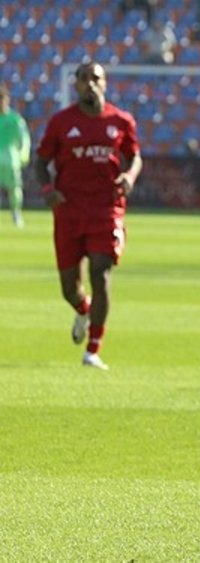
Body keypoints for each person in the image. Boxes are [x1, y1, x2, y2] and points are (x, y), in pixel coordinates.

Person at [33, 63, 142, 370]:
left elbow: (134, 156)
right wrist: (47, 189)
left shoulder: (121, 121)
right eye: (84, 78)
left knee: (101, 271)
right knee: (69, 287)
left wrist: (130, 176)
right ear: (76, 85)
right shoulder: (61, 122)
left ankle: (93, 350)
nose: (90, 83)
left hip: (107, 209)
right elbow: (41, 162)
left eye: (96, 78)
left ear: (104, 83)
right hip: (68, 210)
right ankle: (83, 310)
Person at [0, 83, 31, 227]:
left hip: (10, 158)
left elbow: (24, 138)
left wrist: (24, 153)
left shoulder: (15, 119)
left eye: (2, 99)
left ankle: (16, 213)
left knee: (14, 188)